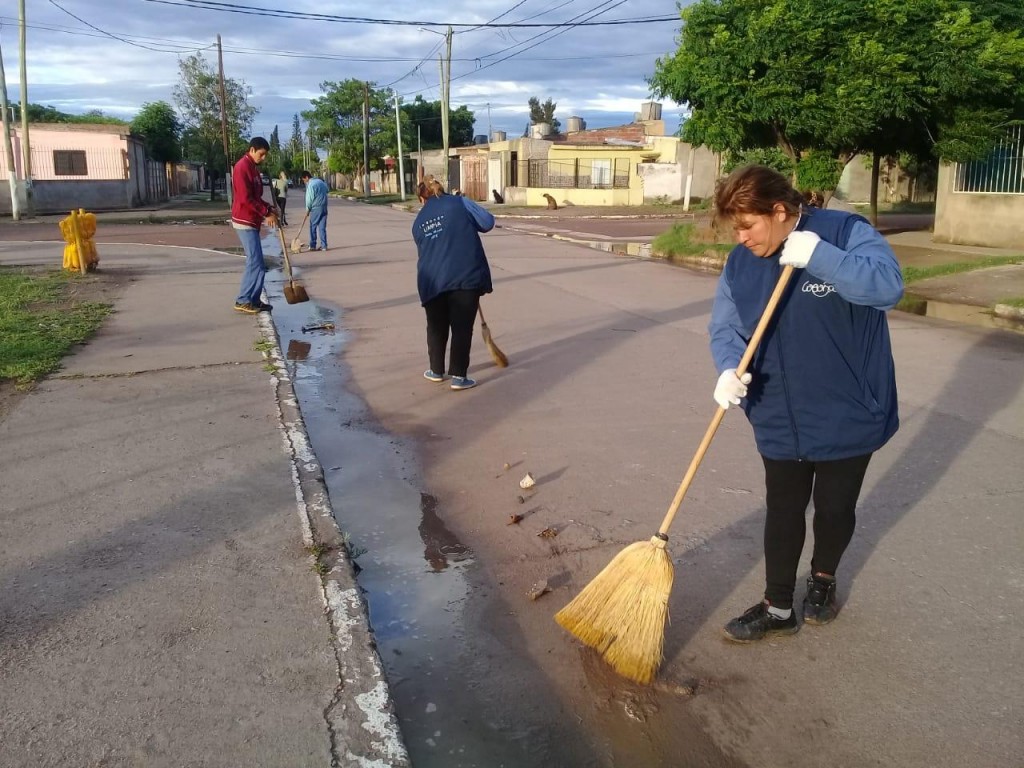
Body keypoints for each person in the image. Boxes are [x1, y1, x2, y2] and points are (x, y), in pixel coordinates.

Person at [708, 164, 903, 643]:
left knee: (834, 508)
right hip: (778, 411)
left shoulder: (844, 232)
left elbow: (887, 287)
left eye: (748, 225)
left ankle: (822, 581)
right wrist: (728, 368)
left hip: (848, 410)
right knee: (783, 508)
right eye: (735, 228)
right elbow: (726, 325)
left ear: (779, 211)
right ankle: (778, 608)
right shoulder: (740, 262)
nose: (741, 237)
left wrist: (821, 256)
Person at [412, 179, 495, 391]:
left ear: (422, 198)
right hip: (465, 276)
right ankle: (459, 376)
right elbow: (487, 222)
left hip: (432, 280)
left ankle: (436, 371)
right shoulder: (460, 203)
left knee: (436, 326)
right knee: (462, 327)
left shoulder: (418, 221)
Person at [231, 136, 277, 314]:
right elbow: (246, 199)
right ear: (252, 150)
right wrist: (265, 213)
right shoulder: (242, 167)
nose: (263, 158)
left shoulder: (254, 169)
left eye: (265, 155)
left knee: (259, 263)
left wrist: (269, 207)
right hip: (244, 220)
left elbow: (256, 197)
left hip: (253, 220)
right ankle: (243, 300)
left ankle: (255, 300)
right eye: (261, 154)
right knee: (255, 262)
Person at [300, 170, 329, 251]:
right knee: (322, 227)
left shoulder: (311, 185)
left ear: (306, 177)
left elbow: (309, 198)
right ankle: (324, 246)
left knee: (313, 226)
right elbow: (327, 190)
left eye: (304, 180)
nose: (304, 182)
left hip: (316, 208)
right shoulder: (321, 182)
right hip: (324, 207)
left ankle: (312, 245)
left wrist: (308, 209)